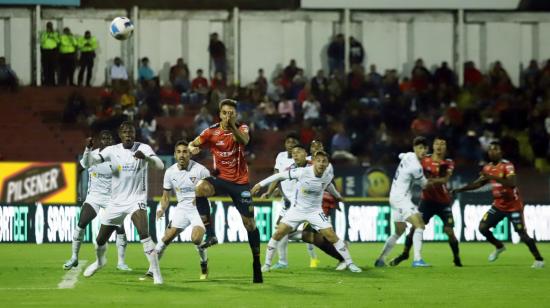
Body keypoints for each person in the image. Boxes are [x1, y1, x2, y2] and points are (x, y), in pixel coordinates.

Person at [188, 99, 263, 283]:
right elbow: (192, 143)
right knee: (200, 189)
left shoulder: (242, 128)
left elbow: (244, 140)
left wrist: (232, 127)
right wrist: (192, 148)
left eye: (232, 113)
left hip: (240, 183)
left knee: (250, 224)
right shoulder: (211, 131)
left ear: (236, 115)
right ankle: (211, 233)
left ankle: (256, 262)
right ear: (219, 115)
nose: (228, 116)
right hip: (220, 179)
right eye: (225, 113)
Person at [81, 121, 165, 284]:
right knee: (99, 241)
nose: (128, 134)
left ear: (135, 134)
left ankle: (156, 274)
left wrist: (147, 158)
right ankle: (100, 262)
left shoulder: (144, 148)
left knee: (144, 234)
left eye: (131, 132)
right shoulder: (112, 150)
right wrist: (88, 149)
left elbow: (160, 166)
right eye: (125, 132)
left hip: (136, 200)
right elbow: (88, 163)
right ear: (120, 135)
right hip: (116, 202)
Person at [252, 150, 362, 273]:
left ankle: (350, 263)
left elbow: (329, 185)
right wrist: (260, 185)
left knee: (331, 235)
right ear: (313, 162)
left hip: (314, 212)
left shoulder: (327, 176)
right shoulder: (302, 172)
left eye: (324, 161)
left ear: (327, 164)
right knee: (278, 233)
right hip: (297, 210)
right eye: (318, 161)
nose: (321, 164)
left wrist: (338, 196)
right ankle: (267, 264)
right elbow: (279, 176)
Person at [452, 141, 544, 268]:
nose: (492, 151)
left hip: (513, 206)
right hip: (498, 206)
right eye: (490, 149)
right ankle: (499, 246)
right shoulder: (488, 168)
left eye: (495, 149)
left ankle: (539, 259)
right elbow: (478, 184)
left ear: (501, 152)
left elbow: (512, 183)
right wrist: (459, 190)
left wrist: (492, 176)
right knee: (482, 228)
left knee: (521, 233)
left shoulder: (507, 166)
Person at [141, 140, 211, 280]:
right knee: (166, 237)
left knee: (196, 239)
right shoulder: (170, 172)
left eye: (185, 152)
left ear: (190, 154)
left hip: (199, 208)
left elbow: (212, 189)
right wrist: (161, 209)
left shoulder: (201, 170)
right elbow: (166, 196)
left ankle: (204, 262)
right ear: (174, 154)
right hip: (182, 208)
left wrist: (202, 194)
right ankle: (151, 271)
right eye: (179, 152)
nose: (182, 155)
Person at [63, 130, 131, 271]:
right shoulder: (92, 155)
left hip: (112, 198)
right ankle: (74, 257)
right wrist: (87, 149)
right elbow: (78, 169)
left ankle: (121, 262)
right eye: (104, 138)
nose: (106, 141)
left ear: (112, 141)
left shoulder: (117, 156)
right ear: (99, 141)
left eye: (109, 138)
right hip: (94, 196)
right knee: (81, 223)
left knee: (120, 228)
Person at [390, 136, 462, 267]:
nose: (439, 147)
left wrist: (428, 181)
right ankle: (405, 254)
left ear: (446, 147)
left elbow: (444, 180)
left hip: (443, 202)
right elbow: (411, 160)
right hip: (427, 201)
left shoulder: (448, 162)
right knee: (414, 228)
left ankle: (456, 257)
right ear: (432, 146)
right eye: (437, 144)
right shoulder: (424, 159)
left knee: (449, 231)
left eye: (442, 144)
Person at [374, 136, 446, 267]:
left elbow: (401, 155)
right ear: (415, 148)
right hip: (402, 199)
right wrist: (438, 179)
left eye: (424, 148)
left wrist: (423, 157)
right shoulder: (416, 167)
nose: (423, 150)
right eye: (420, 148)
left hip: (394, 197)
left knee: (399, 231)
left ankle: (381, 259)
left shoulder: (408, 155)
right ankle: (417, 260)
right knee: (419, 225)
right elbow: (425, 185)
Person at [40, 21, 59, 86]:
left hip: (53, 51)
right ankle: (46, 82)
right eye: (48, 27)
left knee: (52, 67)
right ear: (46, 27)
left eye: (50, 27)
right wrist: (47, 35)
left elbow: (58, 41)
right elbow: (41, 41)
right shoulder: (43, 34)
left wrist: (52, 35)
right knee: (45, 67)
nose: (49, 28)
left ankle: (53, 82)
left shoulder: (55, 34)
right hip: (45, 51)